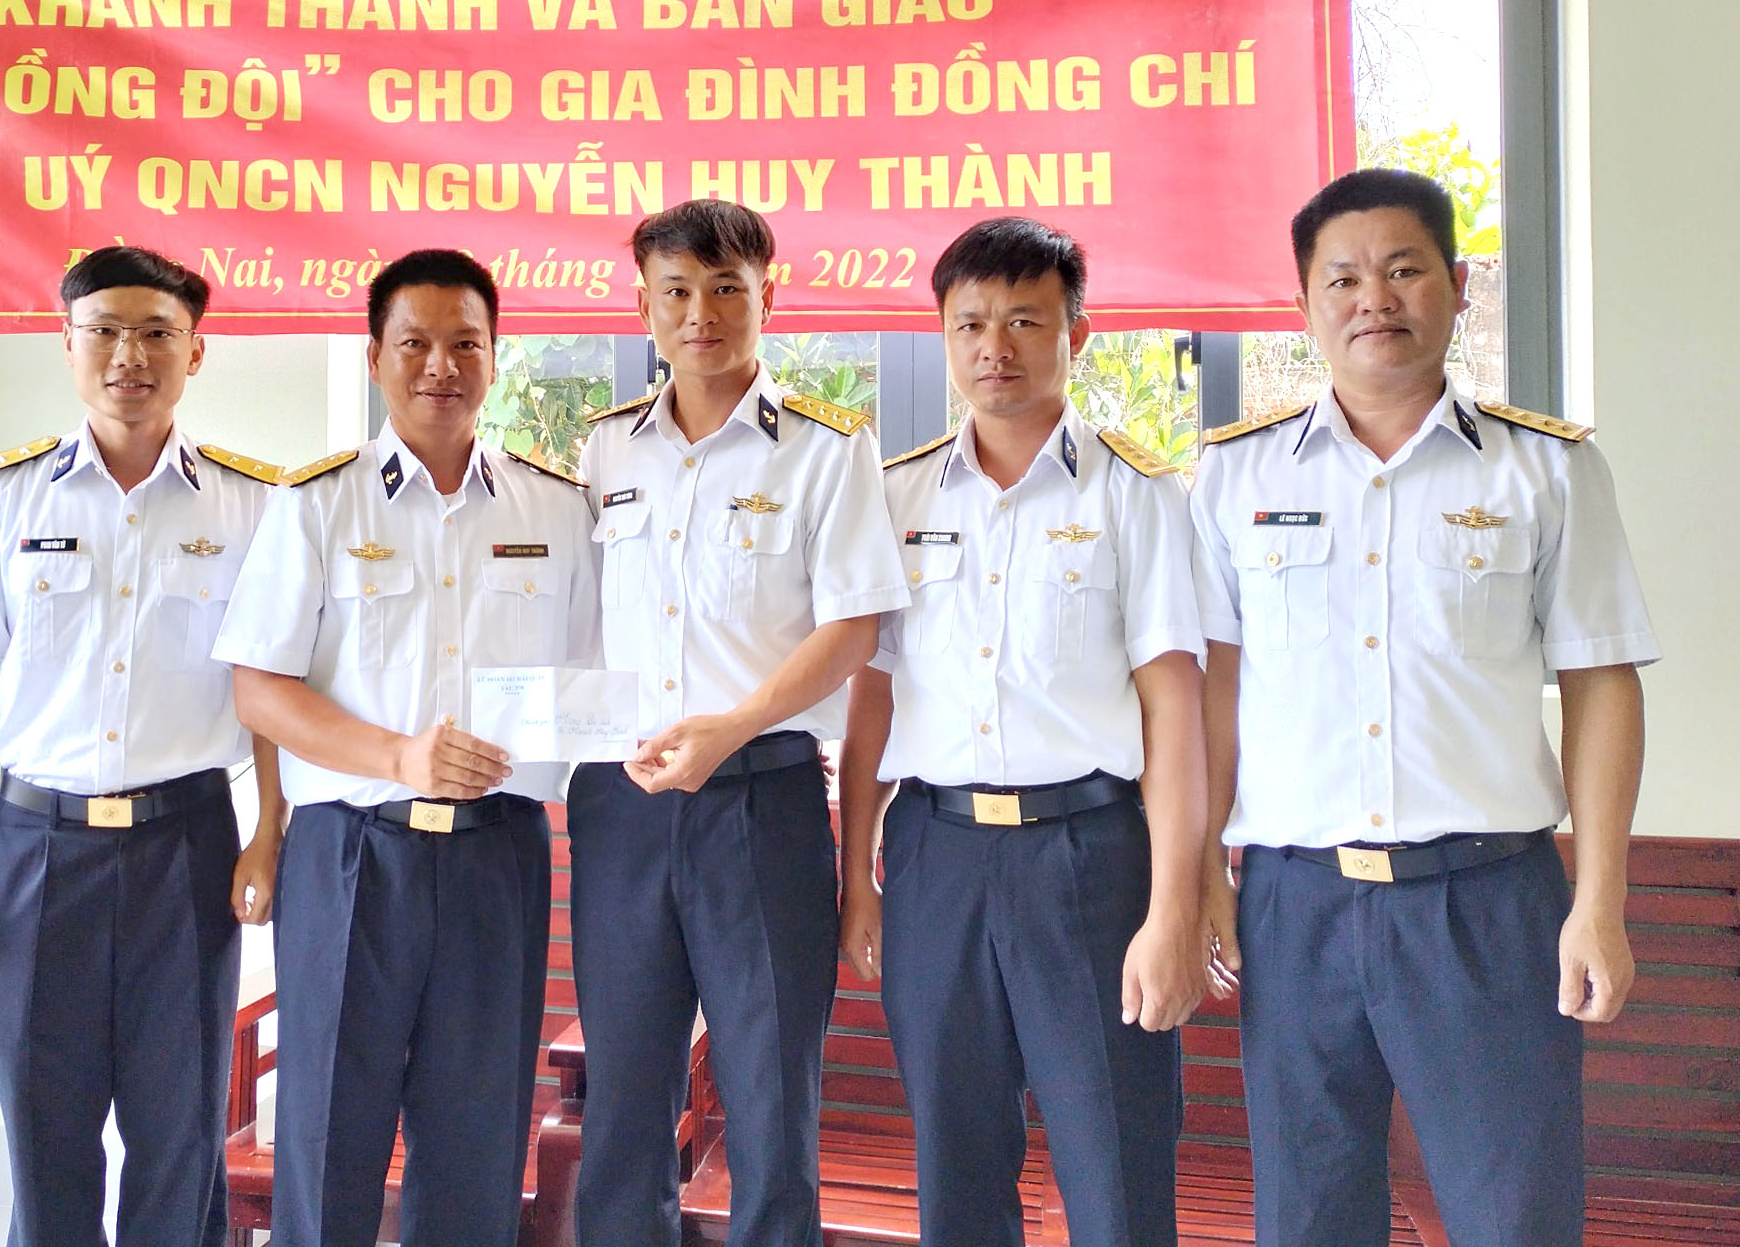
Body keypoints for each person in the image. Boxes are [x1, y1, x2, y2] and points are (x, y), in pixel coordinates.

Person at [1191, 167, 1659, 1247]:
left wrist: (1599, 899)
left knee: (1515, 1213)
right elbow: (1211, 692)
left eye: (1404, 271)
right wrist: (1201, 870)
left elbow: (1602, 682)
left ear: (1456, 285)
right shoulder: (1233, 477)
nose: (1375, 299)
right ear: (1304, 303)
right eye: (1343, 278)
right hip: (1293, 902)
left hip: (1485, 903)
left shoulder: (1545, 471)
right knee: (1308, 1217)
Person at [0, 244, 285, 1247]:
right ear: (66, 345)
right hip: (38, 849)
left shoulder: (251, 505)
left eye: (156, 332)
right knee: (44, 1131)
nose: (129, 355)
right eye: (104, 330)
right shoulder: (5, 496)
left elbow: (274, 688)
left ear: (196, 351)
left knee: (178, 1132)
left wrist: (268, 830)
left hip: (186, 845)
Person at [212, 248, 600, 1247]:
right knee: (328, 1134)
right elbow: (260, 688)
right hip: (352, 855)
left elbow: (594, 687)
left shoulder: (557, 511)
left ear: (496, 357)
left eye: (465, 344)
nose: (441, 366)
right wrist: (396, 757)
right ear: (375, 357)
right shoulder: (320, 503)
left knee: (477, 1136)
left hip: (498, 856)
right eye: (416, 343)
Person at [837, 217, 1206, 1247]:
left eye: (1024, 321)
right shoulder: (896, 495)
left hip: (1089, 857)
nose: (993, 346)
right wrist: (858, 877)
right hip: (936, 858)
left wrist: (1173, 906)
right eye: (970, 324)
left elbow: (1174, 708)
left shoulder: (1136, 492)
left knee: (1115, 1157)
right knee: (955, 1163)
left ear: (1077, 333)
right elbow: (873, 698)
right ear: (943, 336)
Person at [568, 199, 908, 1247]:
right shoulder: (605, 453)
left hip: (762, 802)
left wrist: (732, 725)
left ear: (771, 295)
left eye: (727, 289)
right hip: (621, 806)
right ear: (643, 306)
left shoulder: (825, 451)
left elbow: (854, 629)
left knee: (769, 1093)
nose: (701, 314)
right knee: (625, 1094)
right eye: (676, 291)